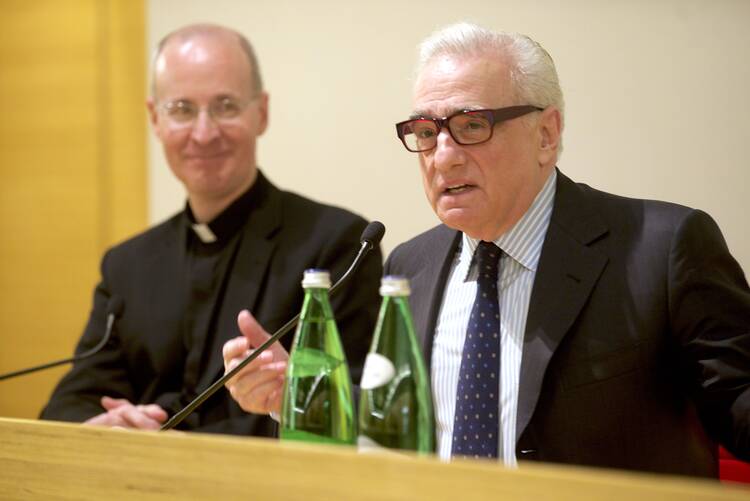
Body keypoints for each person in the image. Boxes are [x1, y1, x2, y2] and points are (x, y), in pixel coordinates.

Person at [381, 23, 749, 476]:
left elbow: (740, 405)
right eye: (424, 132)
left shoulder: (665, 249)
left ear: (546, 135)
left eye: (471, 125)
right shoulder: (407, 266)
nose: (442, 156)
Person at [40, 24, 382, 436]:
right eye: (182, 109)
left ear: (262, 113)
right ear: (155, 118)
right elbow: (70, 402)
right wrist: (106, 425)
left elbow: (363, 408)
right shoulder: (127, 266)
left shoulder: (336, 245)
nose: (203, 133)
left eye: (225, 106)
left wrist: (289, 391)